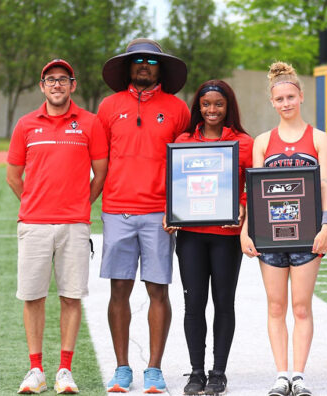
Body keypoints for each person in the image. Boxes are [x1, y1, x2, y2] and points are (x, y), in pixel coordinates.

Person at [7, 59, 108, 394]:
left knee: (70, 296)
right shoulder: (25, 125)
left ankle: (65, 369)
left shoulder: (90, 124)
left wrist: (79, 204)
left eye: (63, 79)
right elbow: (13, 176)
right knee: (33, 297)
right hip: (34, 225)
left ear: (73, 85)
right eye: (50, 79)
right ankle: (35, 370)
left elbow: (101, 174)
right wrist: (35, 202)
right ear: (42, 86)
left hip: (75, 226)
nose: (57, 85)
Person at [97, 38, 190, 393]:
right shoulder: (108, 107)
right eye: (137, 60)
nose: (143, 65)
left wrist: (176, 209)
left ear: (160, 67)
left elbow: (185, 165)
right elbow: (100, 162)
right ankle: (122, 368)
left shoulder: (177, 109)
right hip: (117, 210)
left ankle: (154, 369)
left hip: (159, 214)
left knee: (158, 290)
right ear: (127, 66)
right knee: (118, 289)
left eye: (151, 60)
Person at [240, 61, 327, 396]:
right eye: (279, 99)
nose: (286, 103)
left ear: (301, 96)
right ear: (272, 102)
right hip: (271, 236)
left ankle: (300, 375)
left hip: (308, 235)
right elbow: (255, 192)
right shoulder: (263, 141)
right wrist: (246, 229)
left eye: (291, 97)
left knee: (302, 307)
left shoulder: (319, 138)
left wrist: (326, 226)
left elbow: (325, 186)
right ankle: (281, 375)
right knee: (276, 306)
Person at [164, 80, 253, 395]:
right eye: (206, 104)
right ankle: (196, 372)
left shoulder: (244, 142)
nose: (212, 110)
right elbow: (176, 183)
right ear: (198, 107)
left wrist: (243, 205)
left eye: (218, 104)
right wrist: (172, 210)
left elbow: (252, 189)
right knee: (193, 304)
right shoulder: (184, 140)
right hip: (191, 236)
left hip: (226, 237)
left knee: (224, 303)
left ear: (228, 106)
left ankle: (218, 373)